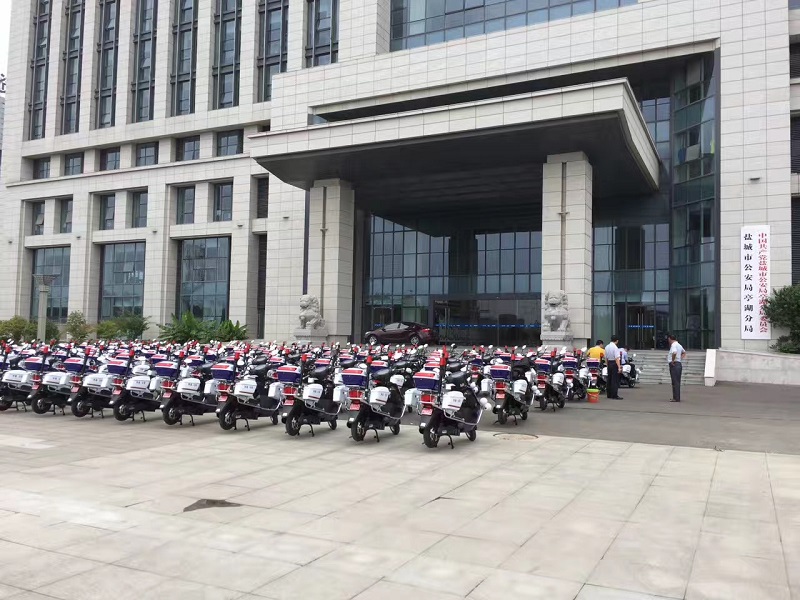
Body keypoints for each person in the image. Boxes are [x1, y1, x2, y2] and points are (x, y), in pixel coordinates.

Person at [667, 333, 686, 402]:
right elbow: (684, 352)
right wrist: (680, 359)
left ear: (670, 339)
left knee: (675, 382)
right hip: (678, 364)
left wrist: (673, 360)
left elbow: (674, 352)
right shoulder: (679, 345)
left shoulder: (673, 345)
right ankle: (676, 397)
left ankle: (676, 398)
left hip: (674, 364)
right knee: (677, 381)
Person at [604, 335, 622, 399]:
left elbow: (606, 357)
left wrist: (607, 365)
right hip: (614, 363)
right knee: (614, 380)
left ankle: (609, 394)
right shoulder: (615, 347)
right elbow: (617, 358)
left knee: (609, 379)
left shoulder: (607, 347)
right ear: (617, 341)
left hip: (609, 363)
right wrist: (619, 367)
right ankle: (614, 395)